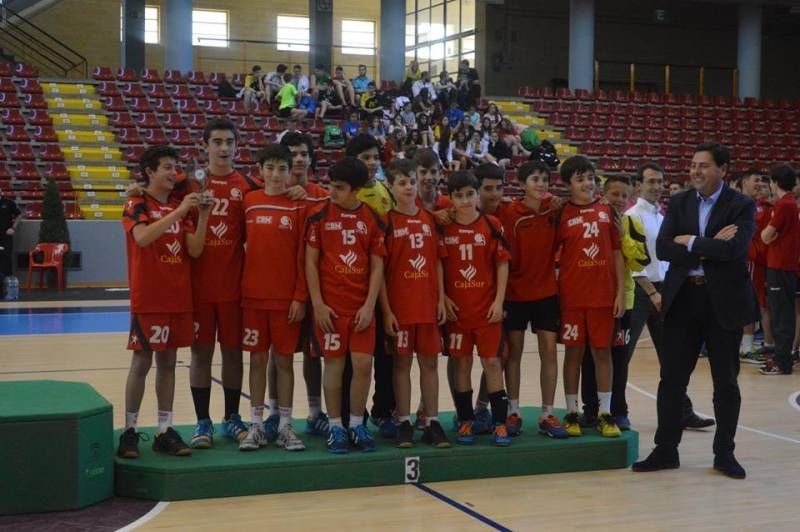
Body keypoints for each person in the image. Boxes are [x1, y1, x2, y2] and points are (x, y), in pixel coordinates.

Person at [633, 143, 757, 480]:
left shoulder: (742, 205)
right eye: (692, 165)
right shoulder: (679, 201)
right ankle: (665, 450)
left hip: (722, 303)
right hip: (683, 299)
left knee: (726, 383)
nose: (695, 171)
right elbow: (662, 248)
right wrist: (707, 247)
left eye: (703, 166)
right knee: (671, 380)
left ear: (723, 170)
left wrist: (689, 242)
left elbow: (734, 249)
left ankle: (724, 454)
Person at [117, 145, 211, 459]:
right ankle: (129, 431)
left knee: (168, 364)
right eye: (167, 167)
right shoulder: (136, 202)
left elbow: (195, 250)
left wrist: (203, 217)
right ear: (149, 172)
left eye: (175, 167)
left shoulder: (174, 206)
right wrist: (181, 210)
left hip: (178, 297)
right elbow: (143, 238)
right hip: (149, 297)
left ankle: (164, 430)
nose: (173, 173)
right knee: (141, 363)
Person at [189, 119, 263, 449]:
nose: (223, 148)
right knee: (200, 353)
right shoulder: (188, 185)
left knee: (233, 355)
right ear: (204, 146)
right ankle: (202, 421)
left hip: (235, 289)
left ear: (237, 146)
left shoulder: (248, 186)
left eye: (229, 142)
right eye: (216, 141)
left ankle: (232, 417)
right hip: (198, 290)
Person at [623, 163, 714, 431]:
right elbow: (634, 261)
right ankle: (617, 411)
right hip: (641, 291)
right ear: (638, 185)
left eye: (660, 181)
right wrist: (652, 293)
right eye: (651, 181)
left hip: (665, 291)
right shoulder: (631, 216)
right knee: (623, 357)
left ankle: (682, 412)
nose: (657, 186)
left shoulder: (664, 217)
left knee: (673, 358)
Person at [305, 157, 386, 454]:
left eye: (338, 188)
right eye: (330, 185)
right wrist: (318, 304)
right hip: (331, 308)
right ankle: (336, 427)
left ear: (355, 190)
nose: (331, 192)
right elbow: (310, 263)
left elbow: (377, 267)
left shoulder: (373, 219)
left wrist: (369, 306)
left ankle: (356, 424)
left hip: (361, 309)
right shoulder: (318, 216)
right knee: (335, 365)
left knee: (364, 364)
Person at [239, 144, 308, 452]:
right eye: (271, 168)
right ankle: (255, 425)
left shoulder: (299, 205)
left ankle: (285, 426)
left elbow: (304, 257)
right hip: (253, 298)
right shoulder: (249, 201)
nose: (277, 174)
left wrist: (299, 297)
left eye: (283, 168)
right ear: (261, 170)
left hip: (286, 301)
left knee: (284, 362)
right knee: (256, 360)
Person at [380, 159, 450, 448]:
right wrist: (386, 311)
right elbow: (380, 272)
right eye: (402, 183)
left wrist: (442, 297)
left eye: (411, 181)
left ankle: (432, 422)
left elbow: (436, 262)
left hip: (428, 305)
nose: (409, 187)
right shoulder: (386, 222)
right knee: (401, 364)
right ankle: (405, 422)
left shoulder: (429, 219)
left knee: (430, 364)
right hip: (400, 308)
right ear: (390, 187)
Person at [441, 170, 512, 447]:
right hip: (458, 311)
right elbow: (438, 266)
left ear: (476, 195)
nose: (466, 200)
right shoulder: (444, 228)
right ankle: (466, 419)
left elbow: (502, 264)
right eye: (459, 196)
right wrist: (443, 297)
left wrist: (498, 301)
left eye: (470, 194)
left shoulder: (492, 225)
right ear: (451, 199)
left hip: (487, 310)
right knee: (461, 363)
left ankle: (499, 424)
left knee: (492, 363)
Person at [556, 155, 624, 438]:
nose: (587, 184)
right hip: (572, 298)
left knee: (602, 354)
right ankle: (572, 412)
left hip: (603, 297)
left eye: (590, 178)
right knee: (573, 354)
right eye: (580, 179)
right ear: (568, 184)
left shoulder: (607, 212)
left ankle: (606, 414)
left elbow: (618, 253)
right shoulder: (560, 213)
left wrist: (620, 291)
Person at [498, 161, 567, 439]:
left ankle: (547, 414)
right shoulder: (508, 212)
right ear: (522, 183)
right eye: (535, 179)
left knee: (549, 353)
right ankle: (513, 411)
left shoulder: (555, 208)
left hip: (547, 293)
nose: (541, 184)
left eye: (544, 180)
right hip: (515, 294)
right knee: (513, 354)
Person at [580, 175, 649, 431]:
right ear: (602, 194)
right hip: (592, 300)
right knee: (590, 358)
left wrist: (623, 237)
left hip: (624, 301)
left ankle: (619, 410)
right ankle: (590, 410)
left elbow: (640, 262)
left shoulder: (632, 224)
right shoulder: (590, 221)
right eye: (615, 195)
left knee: (618, 359)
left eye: (624, 195)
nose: (620, 200)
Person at [277, 132, 330, 438]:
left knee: (313, 353)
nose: (298, 158)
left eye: (303, 153)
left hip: (315, 290)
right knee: (278, 354)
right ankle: (274, 412)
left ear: (310, 158)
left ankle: (314, 412)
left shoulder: (322, 195)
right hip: (281, 289)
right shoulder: (270, 192)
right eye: (292, 153)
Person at [345, 135, 396, 436]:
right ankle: (353, 413)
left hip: (385, 287)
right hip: (351, 287)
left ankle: (383, 410)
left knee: (386, 354)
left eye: (375, 157)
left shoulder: (383, 191)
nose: (373, 162)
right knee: (354, 360)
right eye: (366, 157)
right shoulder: (345, 196)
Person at [759, 164, 800, 375]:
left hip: (780, 266)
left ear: (775, 182)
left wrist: (770, 234)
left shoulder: (785, 205)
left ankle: (782, 362)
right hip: (785, 266)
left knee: (781, 316)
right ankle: (784, 359)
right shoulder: (789, 203)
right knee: (783, 314)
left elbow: (765, 236)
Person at [737, 170, 774, 365]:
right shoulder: (739, 204)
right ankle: (746, 347)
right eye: (756, 180)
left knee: (755, 302)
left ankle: (747, 345)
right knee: (749, 302)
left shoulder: (759, 205)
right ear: (744, 182)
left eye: (762, 180)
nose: (760, 183)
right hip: (748, 259)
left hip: (758, 260)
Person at [0, 185, 21, 289]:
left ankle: (6, 288)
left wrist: (13, 228)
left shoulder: (9, 203)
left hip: (6, 237)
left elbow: (19, 215)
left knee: (6, 259)